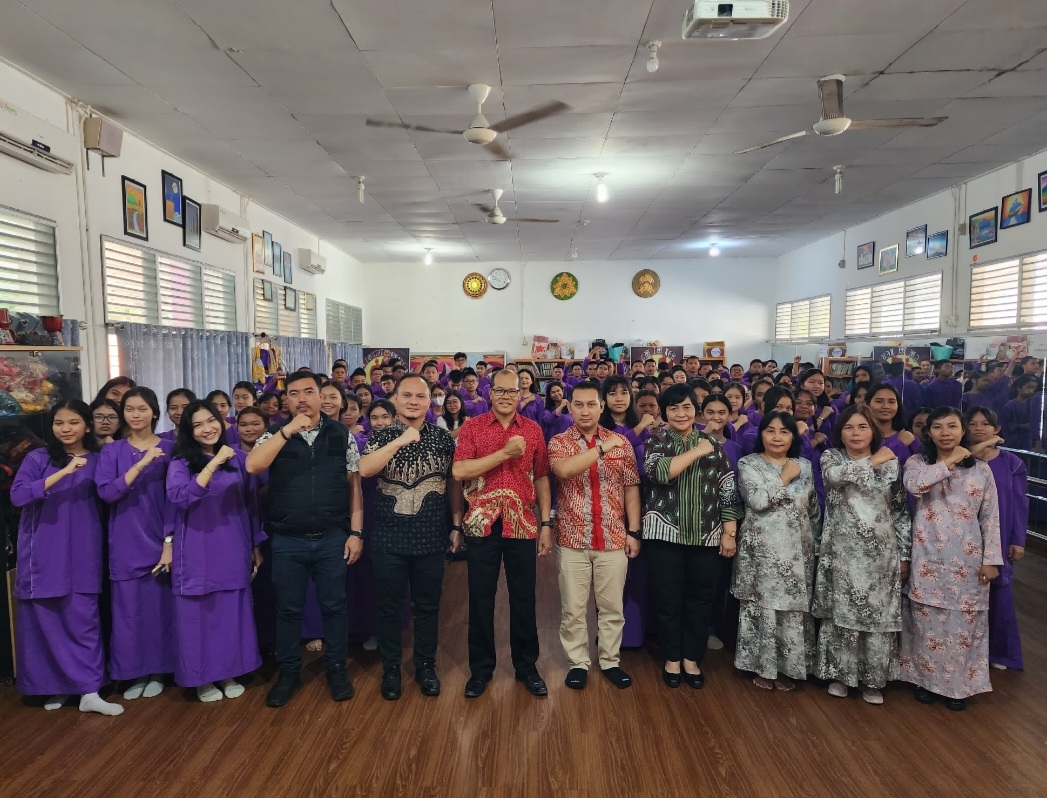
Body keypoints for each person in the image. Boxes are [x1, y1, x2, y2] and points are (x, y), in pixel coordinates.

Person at [246, 372, 364, 708]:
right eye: (294, 393)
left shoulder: (342, 435)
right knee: (288, 610)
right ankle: (288, 673)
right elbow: (253, 466)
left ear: (321, 396)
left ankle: (336, 668)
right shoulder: (273, 434)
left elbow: (354, 487)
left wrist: (356, 533)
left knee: (334, 607)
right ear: (287, 400)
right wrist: (286, 431)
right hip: (288, 539)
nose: (302, 399)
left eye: (309, 392)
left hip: (332, 537)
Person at [11, 400, 122, 716]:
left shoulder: (100, 459)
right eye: (60, 423)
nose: (66, 429)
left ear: (87, 425)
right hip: (42, 552)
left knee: (82, 620)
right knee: (46, 620)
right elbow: (18, 496)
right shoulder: (38, 457)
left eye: (73, 422)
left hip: (83, 551)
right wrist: (62, 473)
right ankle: (55, 686)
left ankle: (88, 690)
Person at [359, 374, 463, 700]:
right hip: (389, 538)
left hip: (431, 536)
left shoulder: (444, 440)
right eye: (407, 395)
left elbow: (452, 485)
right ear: (396, 399)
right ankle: (391, 668)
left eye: (421, 396)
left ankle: (425, 666)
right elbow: (365, 469)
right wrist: (400, 440)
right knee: (389, 608)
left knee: (429, 607)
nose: (414, 401)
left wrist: (456, 524)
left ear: (430, 400)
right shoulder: (381, 436)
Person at [452, 368, 552, 699]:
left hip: (522, 523)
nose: (507, 396)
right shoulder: (472, 428)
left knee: (523, 598)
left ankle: (527, 667)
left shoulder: (534, 431)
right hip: (483, 523)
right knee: (480, 598)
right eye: (501, 391)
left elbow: (541, 478)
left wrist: (546, 524)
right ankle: (480, 670)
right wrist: (505, 454)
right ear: (490, 393)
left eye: (513, 391)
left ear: (521, 394)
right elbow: (460, 470)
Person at [901, 408, 1002, 711]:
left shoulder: (982, 470)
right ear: (928, 433)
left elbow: (991, 518)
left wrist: (991, 559)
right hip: (928, 556)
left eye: (952, 426)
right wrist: (951, 460)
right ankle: (925, 682)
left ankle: (957, 687)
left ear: (962, 431)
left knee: (963, 624)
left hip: (968, 562)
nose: (945, 432)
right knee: (926, 623)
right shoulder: (917, 463)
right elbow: (915, 486)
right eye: (937, 427)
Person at [643, 384, 742, 689]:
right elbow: (659, 472)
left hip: (706, 536)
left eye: (686, 407)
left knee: (700, 600)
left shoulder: (717, 447)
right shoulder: (656, 441)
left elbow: (727, 492)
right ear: (664, 412)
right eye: (673, 408)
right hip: (664, 536)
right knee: (668, 600)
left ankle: (691, 658)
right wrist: (698, 449)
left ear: (695, 410)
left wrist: (729, 533)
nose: (681, 413)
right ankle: (672, 657)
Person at [167, 401, 264, 702]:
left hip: (233, 544)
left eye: (212, 420)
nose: (207, 428)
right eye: (198, 424)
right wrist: (212, 464)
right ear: (189, 431)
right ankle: (201, 679)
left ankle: (229, 671)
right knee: (197, 614)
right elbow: (181, 497)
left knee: (230, 612)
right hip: (195, 547)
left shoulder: (238, 459)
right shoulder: (180, 463)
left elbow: (252, 504)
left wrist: (255, 544)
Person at [814, 405, 911, 705]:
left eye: (862, 427)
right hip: (840, 551)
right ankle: (840, 676)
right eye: (849, 428)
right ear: (839, 432)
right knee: (840, 615)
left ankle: (872, 679)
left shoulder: (892, 464)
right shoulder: (831, 458)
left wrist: (904, 554)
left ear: (874, 431)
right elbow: (835, 479)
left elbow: (900, 511)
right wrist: (875, 459)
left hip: (881, 553)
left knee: (876, 614)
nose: (855, 433)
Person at [548, 382, 641, 690]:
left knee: (612, 607)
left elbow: (631, 489)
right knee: (573, 608)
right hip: (572, 539)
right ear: (570, 407)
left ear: (602, 406)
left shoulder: (623, 443)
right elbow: (563, 471)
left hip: (613, 536)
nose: (585, 410)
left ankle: (610, 661)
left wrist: (634, 531)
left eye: (591, 404)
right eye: (579, 404)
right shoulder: (560, 442)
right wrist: (599, 448)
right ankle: (578, 662)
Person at [96, 387, 176, 701]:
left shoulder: (171, 448)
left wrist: (169, 540)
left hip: (160, 537)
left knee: (159, 609)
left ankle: (158, 671)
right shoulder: (111, 452)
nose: (136, 415)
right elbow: (107, 493)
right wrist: (141, 464)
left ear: (154, 412)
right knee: (128, 612)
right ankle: (135, 672)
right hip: (125, 540)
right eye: (130, 409)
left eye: (142, 408)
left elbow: (175, 499)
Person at [733, 412, 819, 692]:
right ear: (761, 436)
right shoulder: (749, 463)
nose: (777, 437)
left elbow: (814, 509)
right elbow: (757, 501)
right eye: (770, 431)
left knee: (792, 610)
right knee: (765, 608)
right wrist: (783, 477)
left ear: (793, 436)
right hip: (762, 551)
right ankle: (763, 668)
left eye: (784, 432)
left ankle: (790, 668)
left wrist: (815, 545)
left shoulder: (804, 465)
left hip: (798, 549)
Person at [966, 407, 1026, 671]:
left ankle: (1000, 652)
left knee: (998, 592)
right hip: (965, 534)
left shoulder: (1012, 463)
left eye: (985, 424)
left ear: (996, 429)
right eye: (973, 423)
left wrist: (1018, 539)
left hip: (999, 535)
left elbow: (1019, 502)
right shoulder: (963, 460)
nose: (979, 428)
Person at [866, 383, 921, 468]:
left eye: (891, 402)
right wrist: (899, 444)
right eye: (879, 401)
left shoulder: (908, 438)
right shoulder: (860, 437)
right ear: (867, 404)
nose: (886, 406)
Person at [998, 374, 1040, 451]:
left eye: (1033, 388)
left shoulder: (1033, 405)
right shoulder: (1009, 406)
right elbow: (1003, 426)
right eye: (1028, 387)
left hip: (1029, 444)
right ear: (1019, 388)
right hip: (1013, 444)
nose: (1031, 391)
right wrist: (1020, 426)